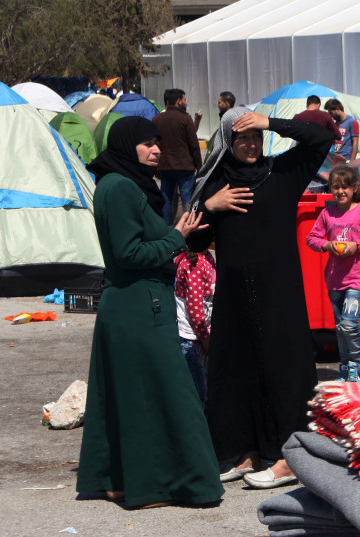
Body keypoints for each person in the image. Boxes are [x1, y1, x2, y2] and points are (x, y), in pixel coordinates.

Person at [75, 116, 223, 509]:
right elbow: (129, 253)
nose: (156, 149)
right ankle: (163, 486)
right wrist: (176, 237)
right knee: (166, 398)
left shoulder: (120, 183)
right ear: (127, 146)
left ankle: (119, 481)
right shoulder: (121, 187)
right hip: (138, 306)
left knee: (129, 397)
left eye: (157, 142)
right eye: (147, 143)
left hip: (134, 303)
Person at [188, 106, 335, 490]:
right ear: (227, 142)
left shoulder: (282, 172)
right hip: (235, 294)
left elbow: (321, 138)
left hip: (279, 292)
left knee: (285, 370)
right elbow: (196, 238)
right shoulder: (217, 181)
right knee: (237, 369)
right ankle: (246, 452)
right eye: (242, 138)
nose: (251, 144)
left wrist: (269, 122)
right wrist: (209, 206)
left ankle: (289, 457)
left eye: (255, 137)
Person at [306, 165, 360, 380]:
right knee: (340, 327)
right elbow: (311, 239)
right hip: (334, 280)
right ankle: (345, 367)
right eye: (335, 187)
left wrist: (357, 246)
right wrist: (326, 245)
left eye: (344, 187)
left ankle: (358, 367)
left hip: (357, 279)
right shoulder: (327, 213)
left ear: (354, 188)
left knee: (350, 324)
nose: (340, 191)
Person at [153, 88, 203, 223]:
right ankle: (188, 227)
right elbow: (194, 145)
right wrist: (200, 167)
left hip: (165, 166)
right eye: (185, 100)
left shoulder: (157, 119)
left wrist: (155, 167)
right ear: (179, 101)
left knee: (166, 198)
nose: (186, 103)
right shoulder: (185, 119)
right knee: (187, 198)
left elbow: (154, 145)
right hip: (185, 166)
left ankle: (165, 228)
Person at [174, 248, 215, 409]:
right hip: (193, 340)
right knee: (198, 396)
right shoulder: (194, 264)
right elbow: (195, 310)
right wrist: (206, 342)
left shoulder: (206, 259)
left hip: (201, 338)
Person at [325, 98, 360, 163]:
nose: (330, 115)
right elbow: (334, 142)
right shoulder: (335, 124)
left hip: (347, 159)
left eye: (331, 112)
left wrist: (352, 161)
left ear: (337, 109)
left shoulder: (352, 122)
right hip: (336, 158)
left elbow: (355, 142)